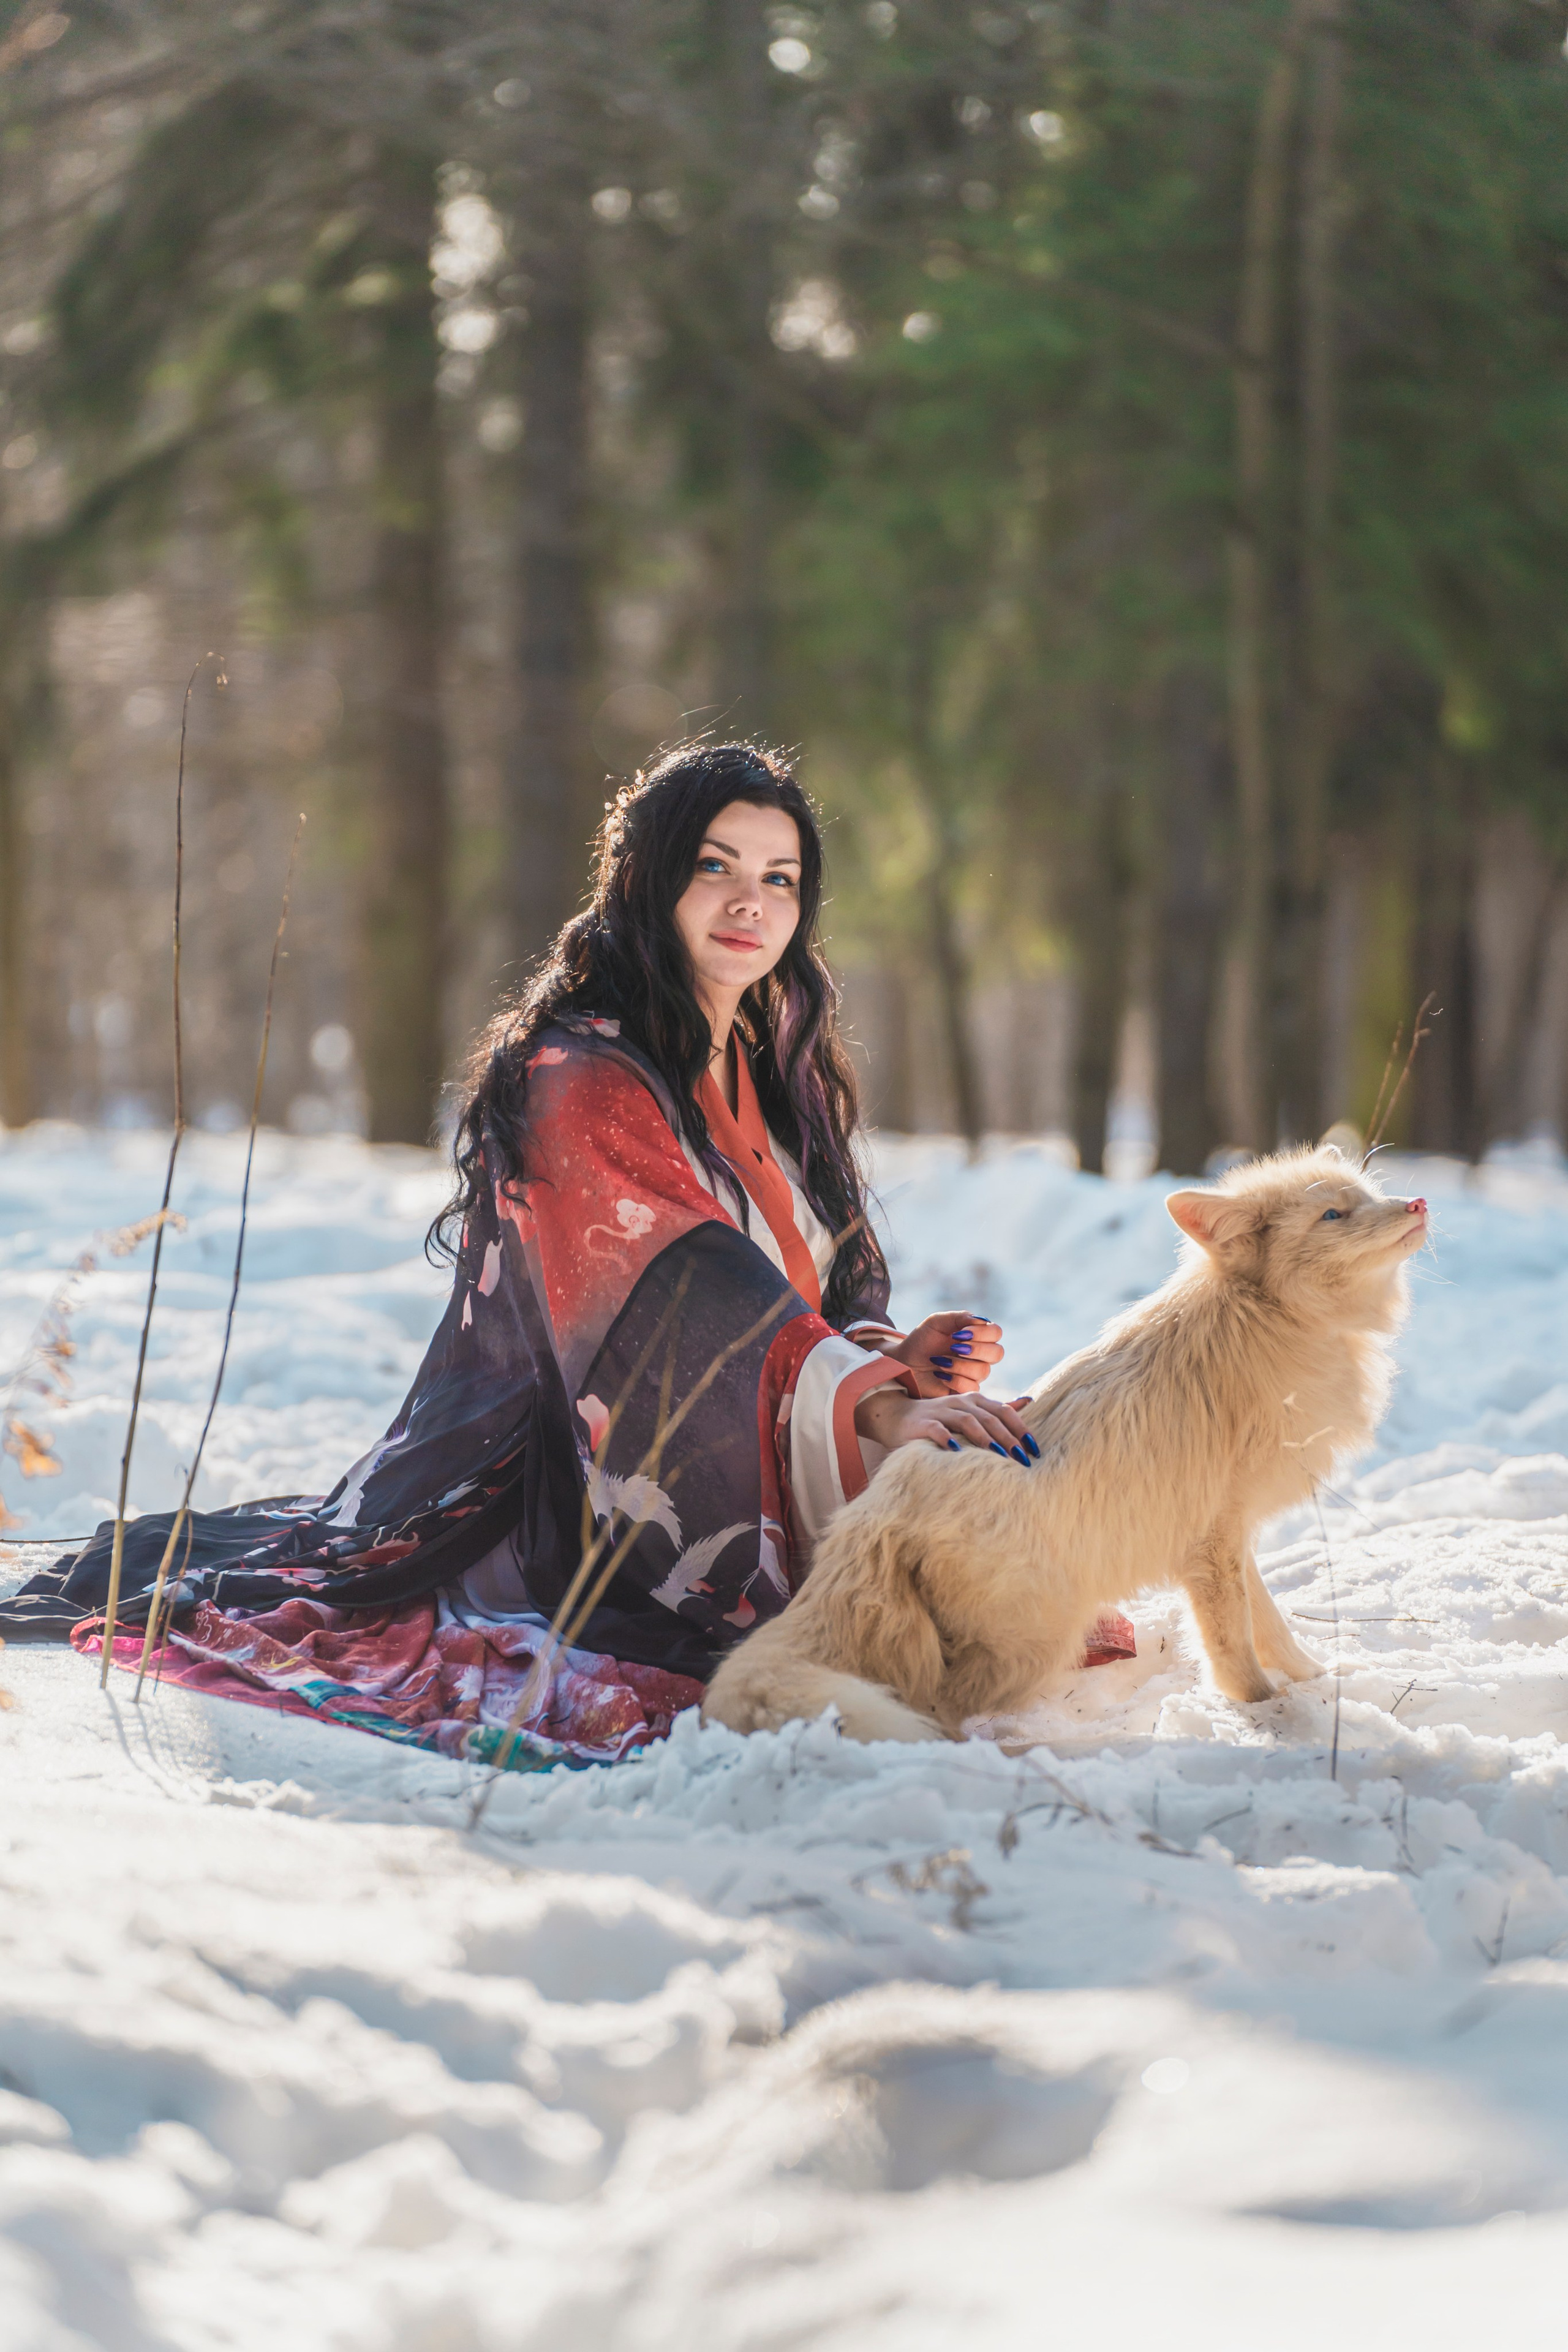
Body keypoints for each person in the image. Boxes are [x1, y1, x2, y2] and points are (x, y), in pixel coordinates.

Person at [2, 742, 1049, 1766]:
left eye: (780, 879)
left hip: (774, 1444)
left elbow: (820, 1269)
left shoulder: (778, 1066)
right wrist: (869, 1402)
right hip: (569, 1497)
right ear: (645, 879)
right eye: (714, 867)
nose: (750, 905)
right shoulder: (577, 1071)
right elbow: (689, 1293)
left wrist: (888, 1352)